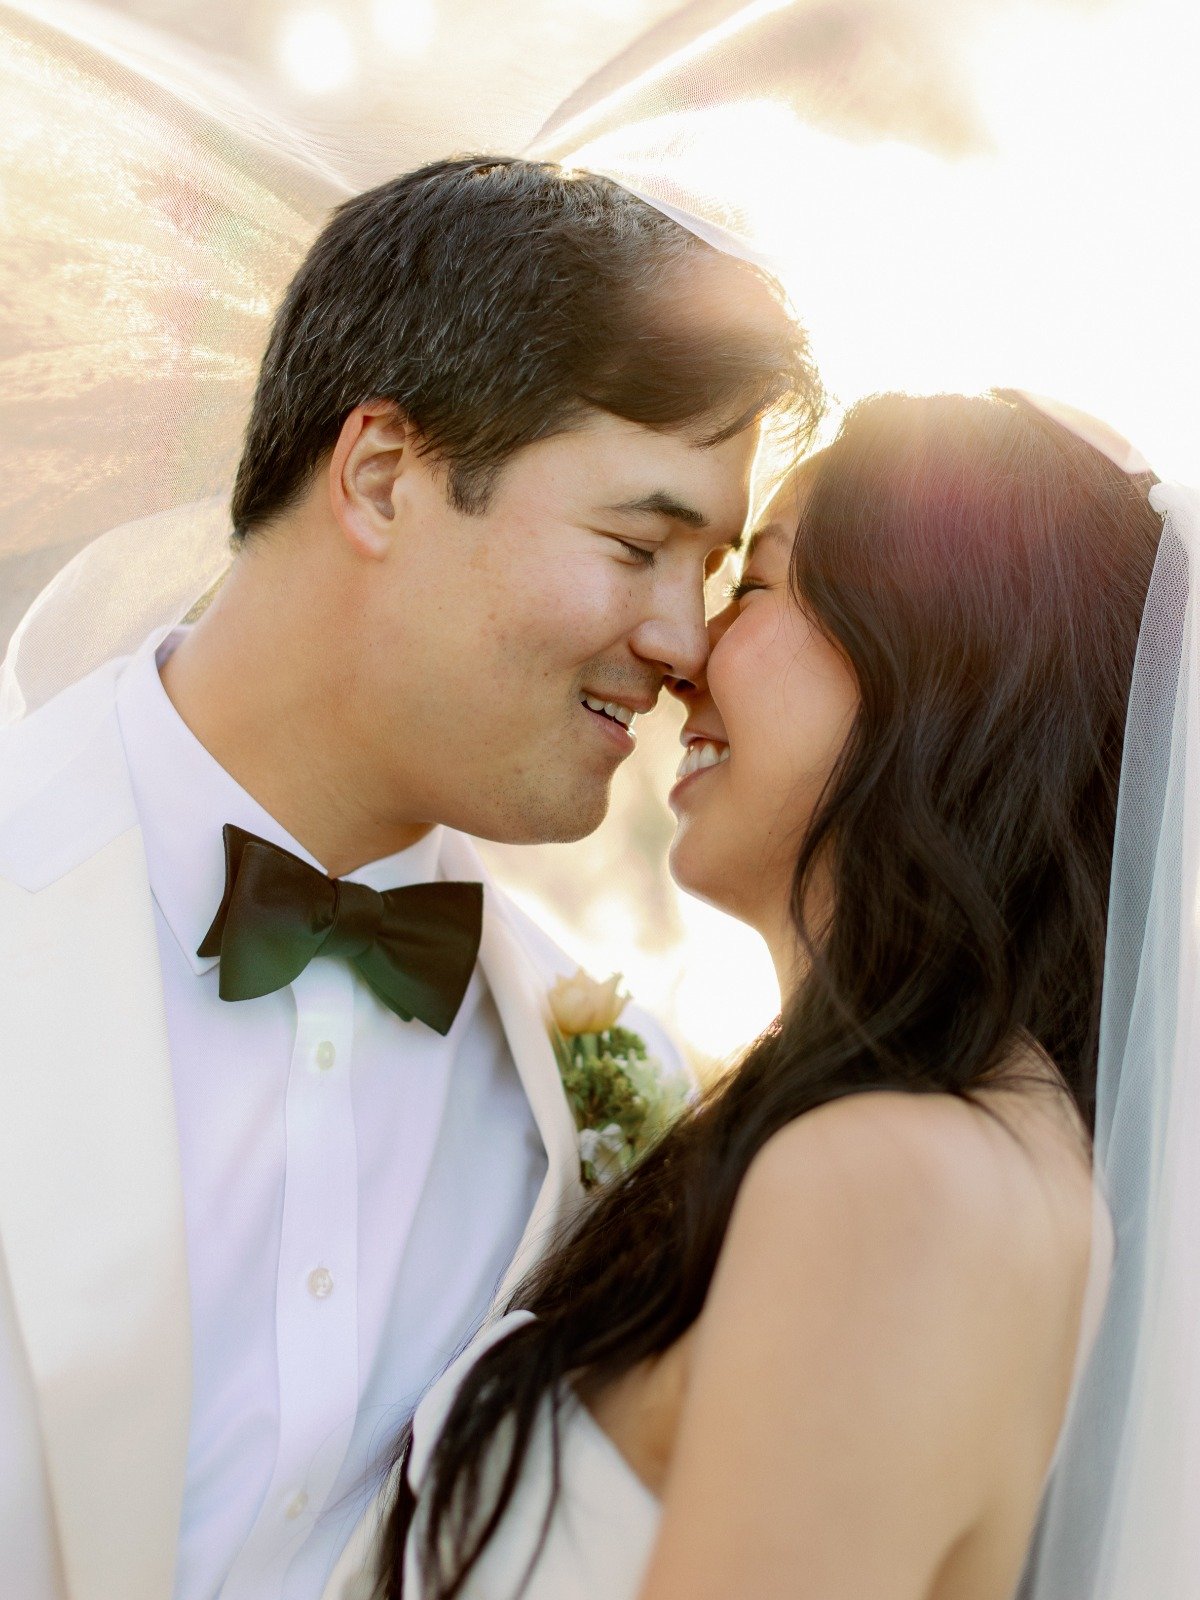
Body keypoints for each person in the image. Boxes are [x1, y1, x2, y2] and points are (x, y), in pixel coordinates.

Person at [0, 155, 821, 1600]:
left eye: (712, 570)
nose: (686, 642)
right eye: (639, 545)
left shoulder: (595, 1081)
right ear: (382, 477)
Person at [378, 389, 1163, 1600]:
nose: (685, 654)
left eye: (753, 587)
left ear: (941, 664)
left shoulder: (903, 1180)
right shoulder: (925, 1131)